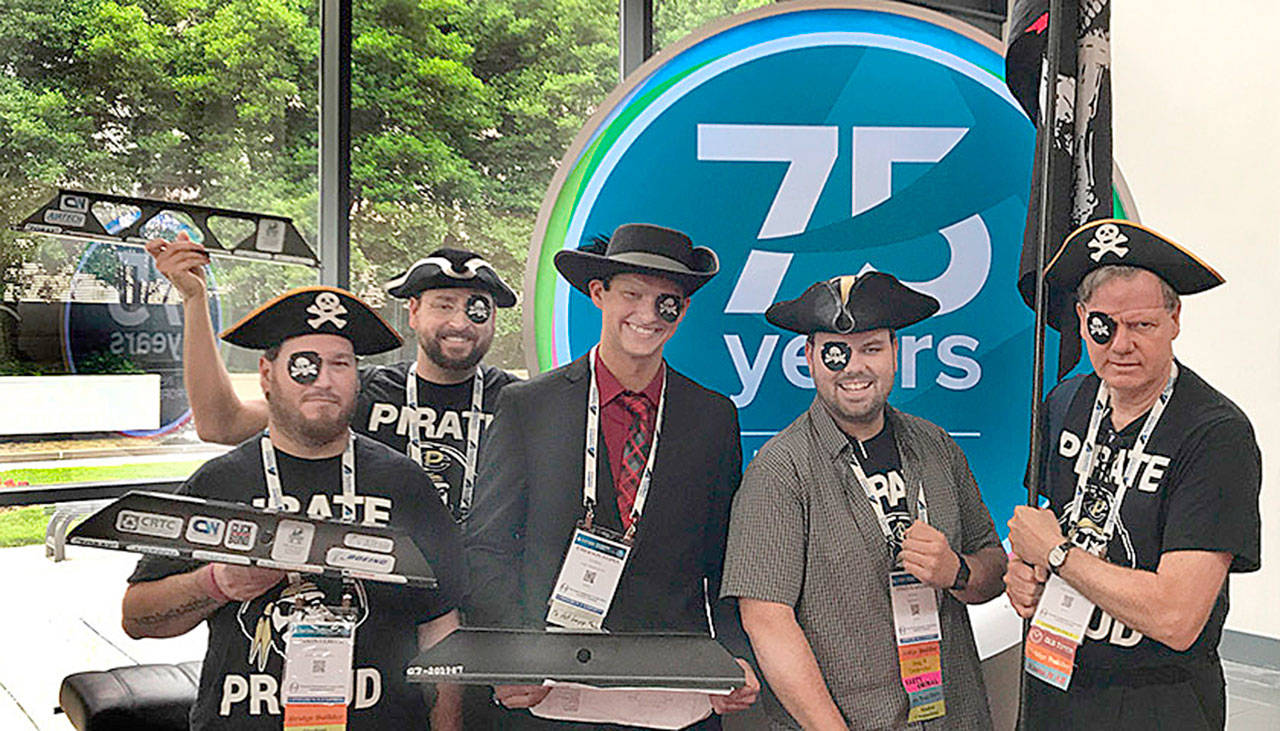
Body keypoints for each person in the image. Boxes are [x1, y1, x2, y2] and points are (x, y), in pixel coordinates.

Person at [121, 286, 468, 730]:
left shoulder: (404, 484)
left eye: (341, 364)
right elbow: (137, 617)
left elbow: (440, 623)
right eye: (305, 365)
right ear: (267, 374)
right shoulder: (220, 482)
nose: (324, 380)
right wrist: (217, 582)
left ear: (357, 377)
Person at [463, 223, 760, 727]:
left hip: (675, 694)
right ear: (598, 294)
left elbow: (723, 554)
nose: (647, 314)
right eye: (632, 294)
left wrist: (731, 653)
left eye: (666, 301)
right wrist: (510, 653)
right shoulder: (527, 406)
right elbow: (488, 545)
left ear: (683, 310)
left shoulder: (712, 416)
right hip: (553, 694)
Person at [720, 272, 1008, 729]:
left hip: (957, 717)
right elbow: (766, 621)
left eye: (871, 349)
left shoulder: (938, 447)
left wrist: (957, 571)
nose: (854, 368)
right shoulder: (779, 470)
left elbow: (994, 568)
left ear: (896, 353)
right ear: (809, 357)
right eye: (836, 352)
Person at [1005, 219, 1262, 729]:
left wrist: (1057, 557)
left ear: (1174, 320)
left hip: (1157, 699)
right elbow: (1043, 534)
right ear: (1081, 320)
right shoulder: (1064, 403)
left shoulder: (1214, 434)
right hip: (1054, 682)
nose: (1120, 344)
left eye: (1141, 325)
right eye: (1104, 324)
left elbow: (1177, 617)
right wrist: (1024, 576)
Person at [145, 233, 519, 521]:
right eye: (444, 305)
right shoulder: (356, 389)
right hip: (381, 591)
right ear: (414, 312)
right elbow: (220, 425)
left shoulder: (524, 404)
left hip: (485, 595)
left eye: (476, 308)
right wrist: (195, 302)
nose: (460, 322)